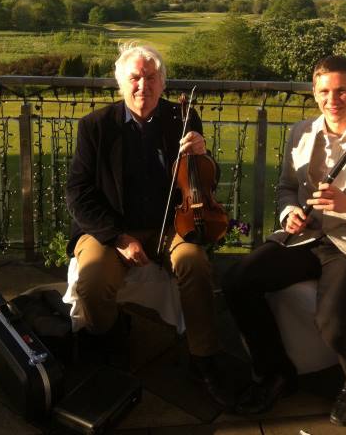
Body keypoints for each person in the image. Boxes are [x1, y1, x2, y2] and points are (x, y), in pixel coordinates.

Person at [222, 55, 346, 424]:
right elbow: (286, 189)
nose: (333, 99)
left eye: (342, 90)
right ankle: (276, 372)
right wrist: (288, 213)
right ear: (314, 93)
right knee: (237, 280)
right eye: (325, 91)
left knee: (334, 325)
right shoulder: (301, 132)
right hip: (309, 237)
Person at [66, 43, 228, 405]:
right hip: (110, 229)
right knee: (92, 278)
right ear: (121, 84)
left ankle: (203, 357)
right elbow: (78, 193)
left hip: (171, 224)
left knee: (195, 264)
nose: (143, 85)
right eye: (135, 78)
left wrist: (203, 154)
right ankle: (107, 338)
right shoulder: (95, 126)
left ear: (163, 83)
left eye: (151, 77)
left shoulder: (181, 117)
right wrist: (118, 237)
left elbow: (201, 180)